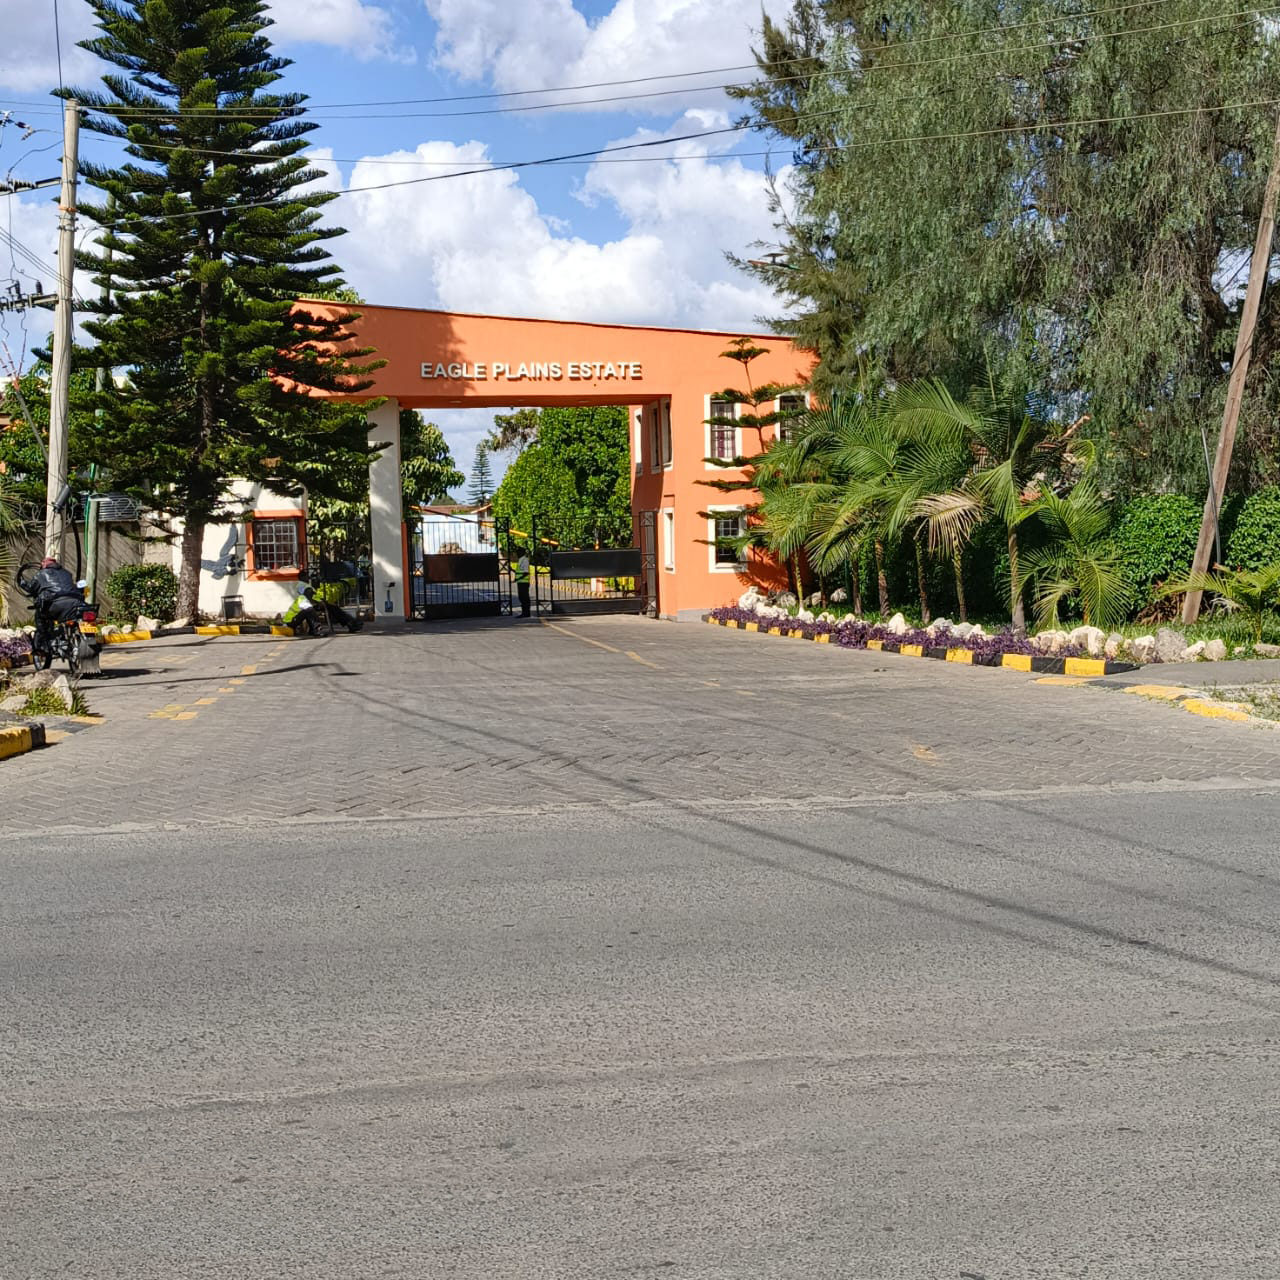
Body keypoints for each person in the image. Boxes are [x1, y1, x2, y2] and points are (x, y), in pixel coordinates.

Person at [18, 556, 84, 654]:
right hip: (74, 603)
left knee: (40, 617)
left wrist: (22, 583)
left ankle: (44, 643)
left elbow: (31, 588)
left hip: (55, 604)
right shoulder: (67, 573)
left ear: (44, 564)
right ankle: (64, 637)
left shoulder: (41, 573)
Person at [512, 544, 531, 618]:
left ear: (522, 552)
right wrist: (511, 570)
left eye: (518, 552)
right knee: (521, 597)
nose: (517, 553)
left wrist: (517, 579)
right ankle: (524, 612)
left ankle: (526, 613)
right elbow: (519, 572)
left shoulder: (525, 560)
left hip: (524, 582)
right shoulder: (520, 560)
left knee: (524, 598)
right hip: (520, 582)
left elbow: (526, 573)